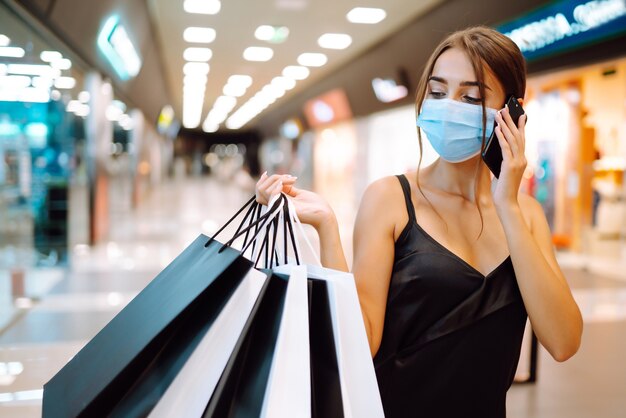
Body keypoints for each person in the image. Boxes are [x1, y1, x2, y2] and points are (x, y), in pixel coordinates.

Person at [256, 26, 583, 418]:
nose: (449, 107)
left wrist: (507, 206)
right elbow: (362, 342)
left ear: (512, 112)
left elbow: (563, 341)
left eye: (472, 96)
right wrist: (327, 227)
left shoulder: (525, 215)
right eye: (438, 91)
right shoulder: (390, 199)